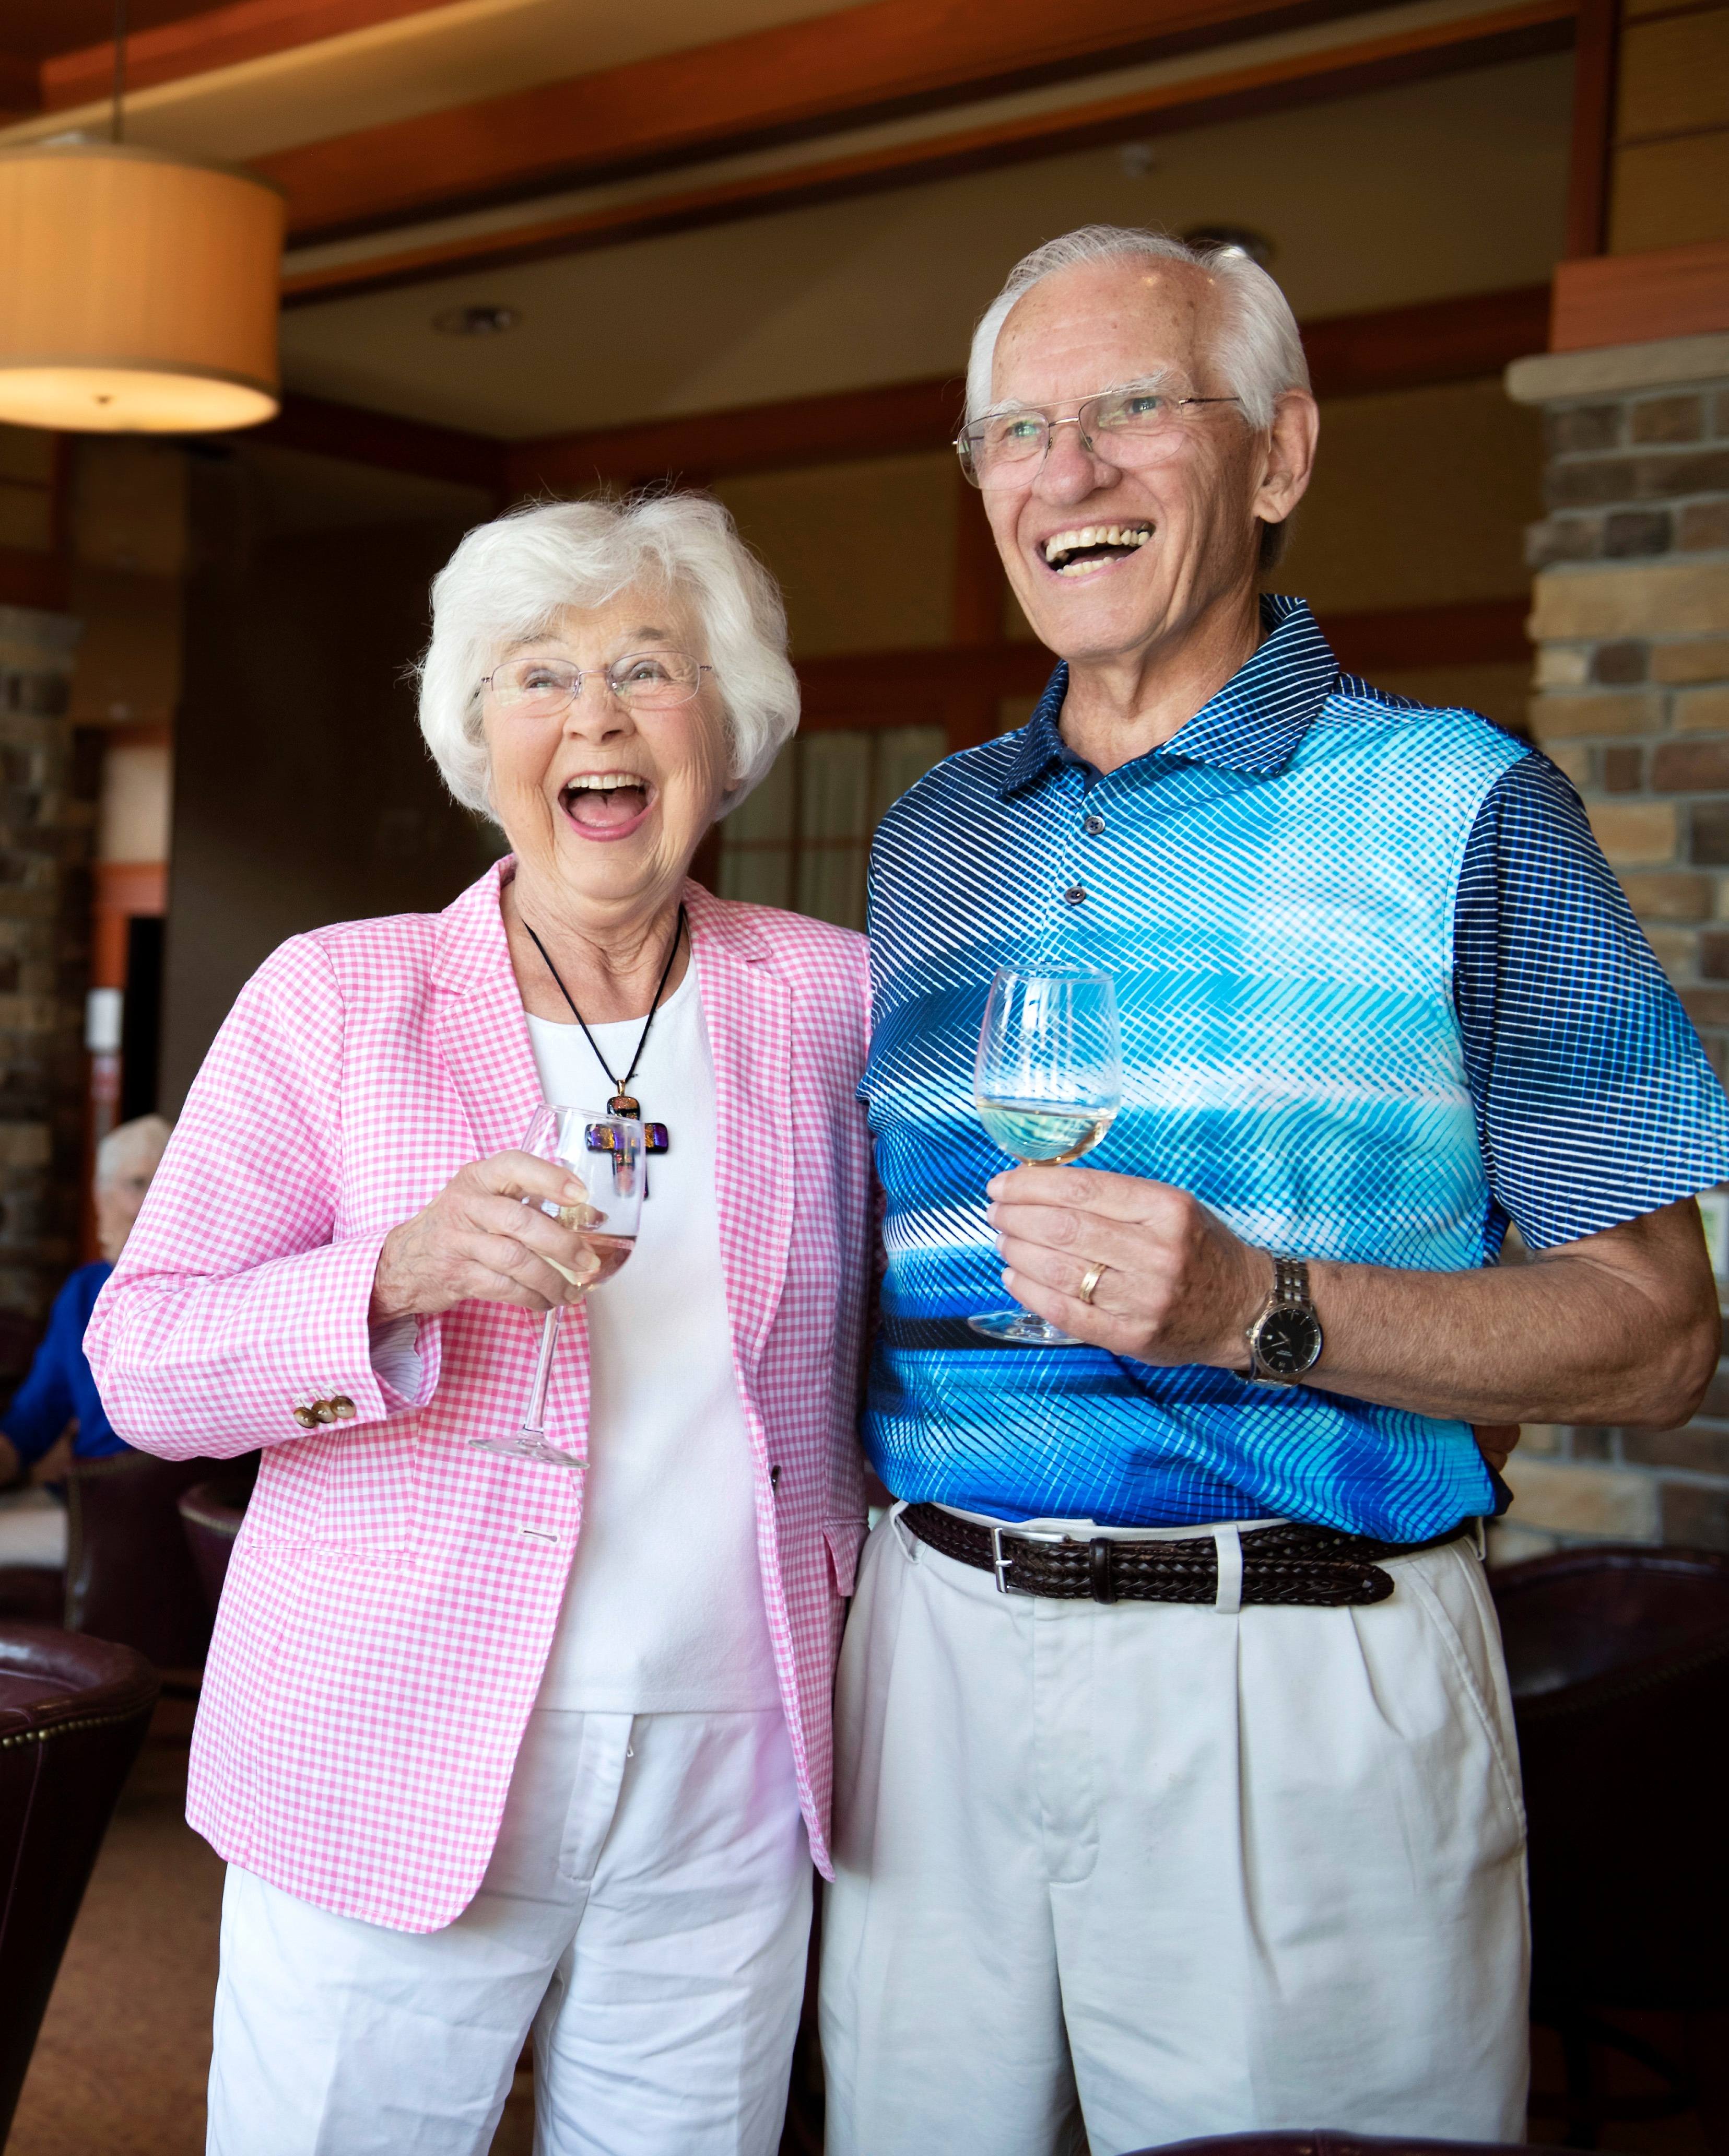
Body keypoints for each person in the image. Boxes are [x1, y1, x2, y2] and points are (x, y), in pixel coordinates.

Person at [819, 225, 1729, 2156]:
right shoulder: (926, 841)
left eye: (1137, 409)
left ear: (1282, 457)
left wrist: (1261, 1307)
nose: (1065, 472)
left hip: (1295, 1679)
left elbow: (1661, 1339)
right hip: (935, 1668)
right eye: (1015, 431)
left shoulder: (1466, 807)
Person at [86, 495, 873, 2156]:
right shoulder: (337, 994)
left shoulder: (829, 995)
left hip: (733, 1760)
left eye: (645, 666)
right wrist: (388, 1272)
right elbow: (142, 1362)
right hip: (387, 1738)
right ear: (477, 733)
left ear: (720, 723)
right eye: (537, 675)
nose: (591, 713)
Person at [0, 1114, 171, 1567]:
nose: (153, 1200)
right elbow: (37, 1414)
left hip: (128, 1514)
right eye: (137, 1183)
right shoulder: (84, 1292)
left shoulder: (201, 1288)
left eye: (166, 1182)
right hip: (81, 1503)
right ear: (99, 1196)